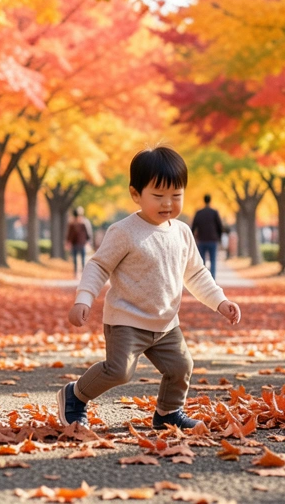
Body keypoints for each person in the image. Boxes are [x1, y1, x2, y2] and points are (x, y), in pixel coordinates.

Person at [60, 148, 242, 429]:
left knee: (181, 367)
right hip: (126, 320)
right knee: (119, 371)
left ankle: (168, 413)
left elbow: (196, 273)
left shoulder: (182, 233)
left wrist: (220, 301)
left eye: (176, 195)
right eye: (158, 196)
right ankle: (75, 395)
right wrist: (84, 299)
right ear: (136, 194)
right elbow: (98, 266)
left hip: (166, 323)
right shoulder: (124, 231)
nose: (168, 203)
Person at [190, 194, 225, 278]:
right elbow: (220, 226)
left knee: (202, 261)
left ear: (204, 200)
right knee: (213, 260)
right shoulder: (214, 212)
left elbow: (194, 226)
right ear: (210, 200)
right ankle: (212, 279)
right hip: (213, 240)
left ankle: (203, 278)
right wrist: (219, 237)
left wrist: (192, 238)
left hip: (201, 239)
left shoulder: (199, 213)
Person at [67, 207, 93, 276]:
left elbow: (87, 233)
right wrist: (68, 242)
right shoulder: (72, 224)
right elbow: (70, 234)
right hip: (76, 243)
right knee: (76, 259)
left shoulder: (82, 223)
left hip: (81, 243)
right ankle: (76, 273)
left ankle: (82, 273)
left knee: (82, 259)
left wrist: (88, 240)